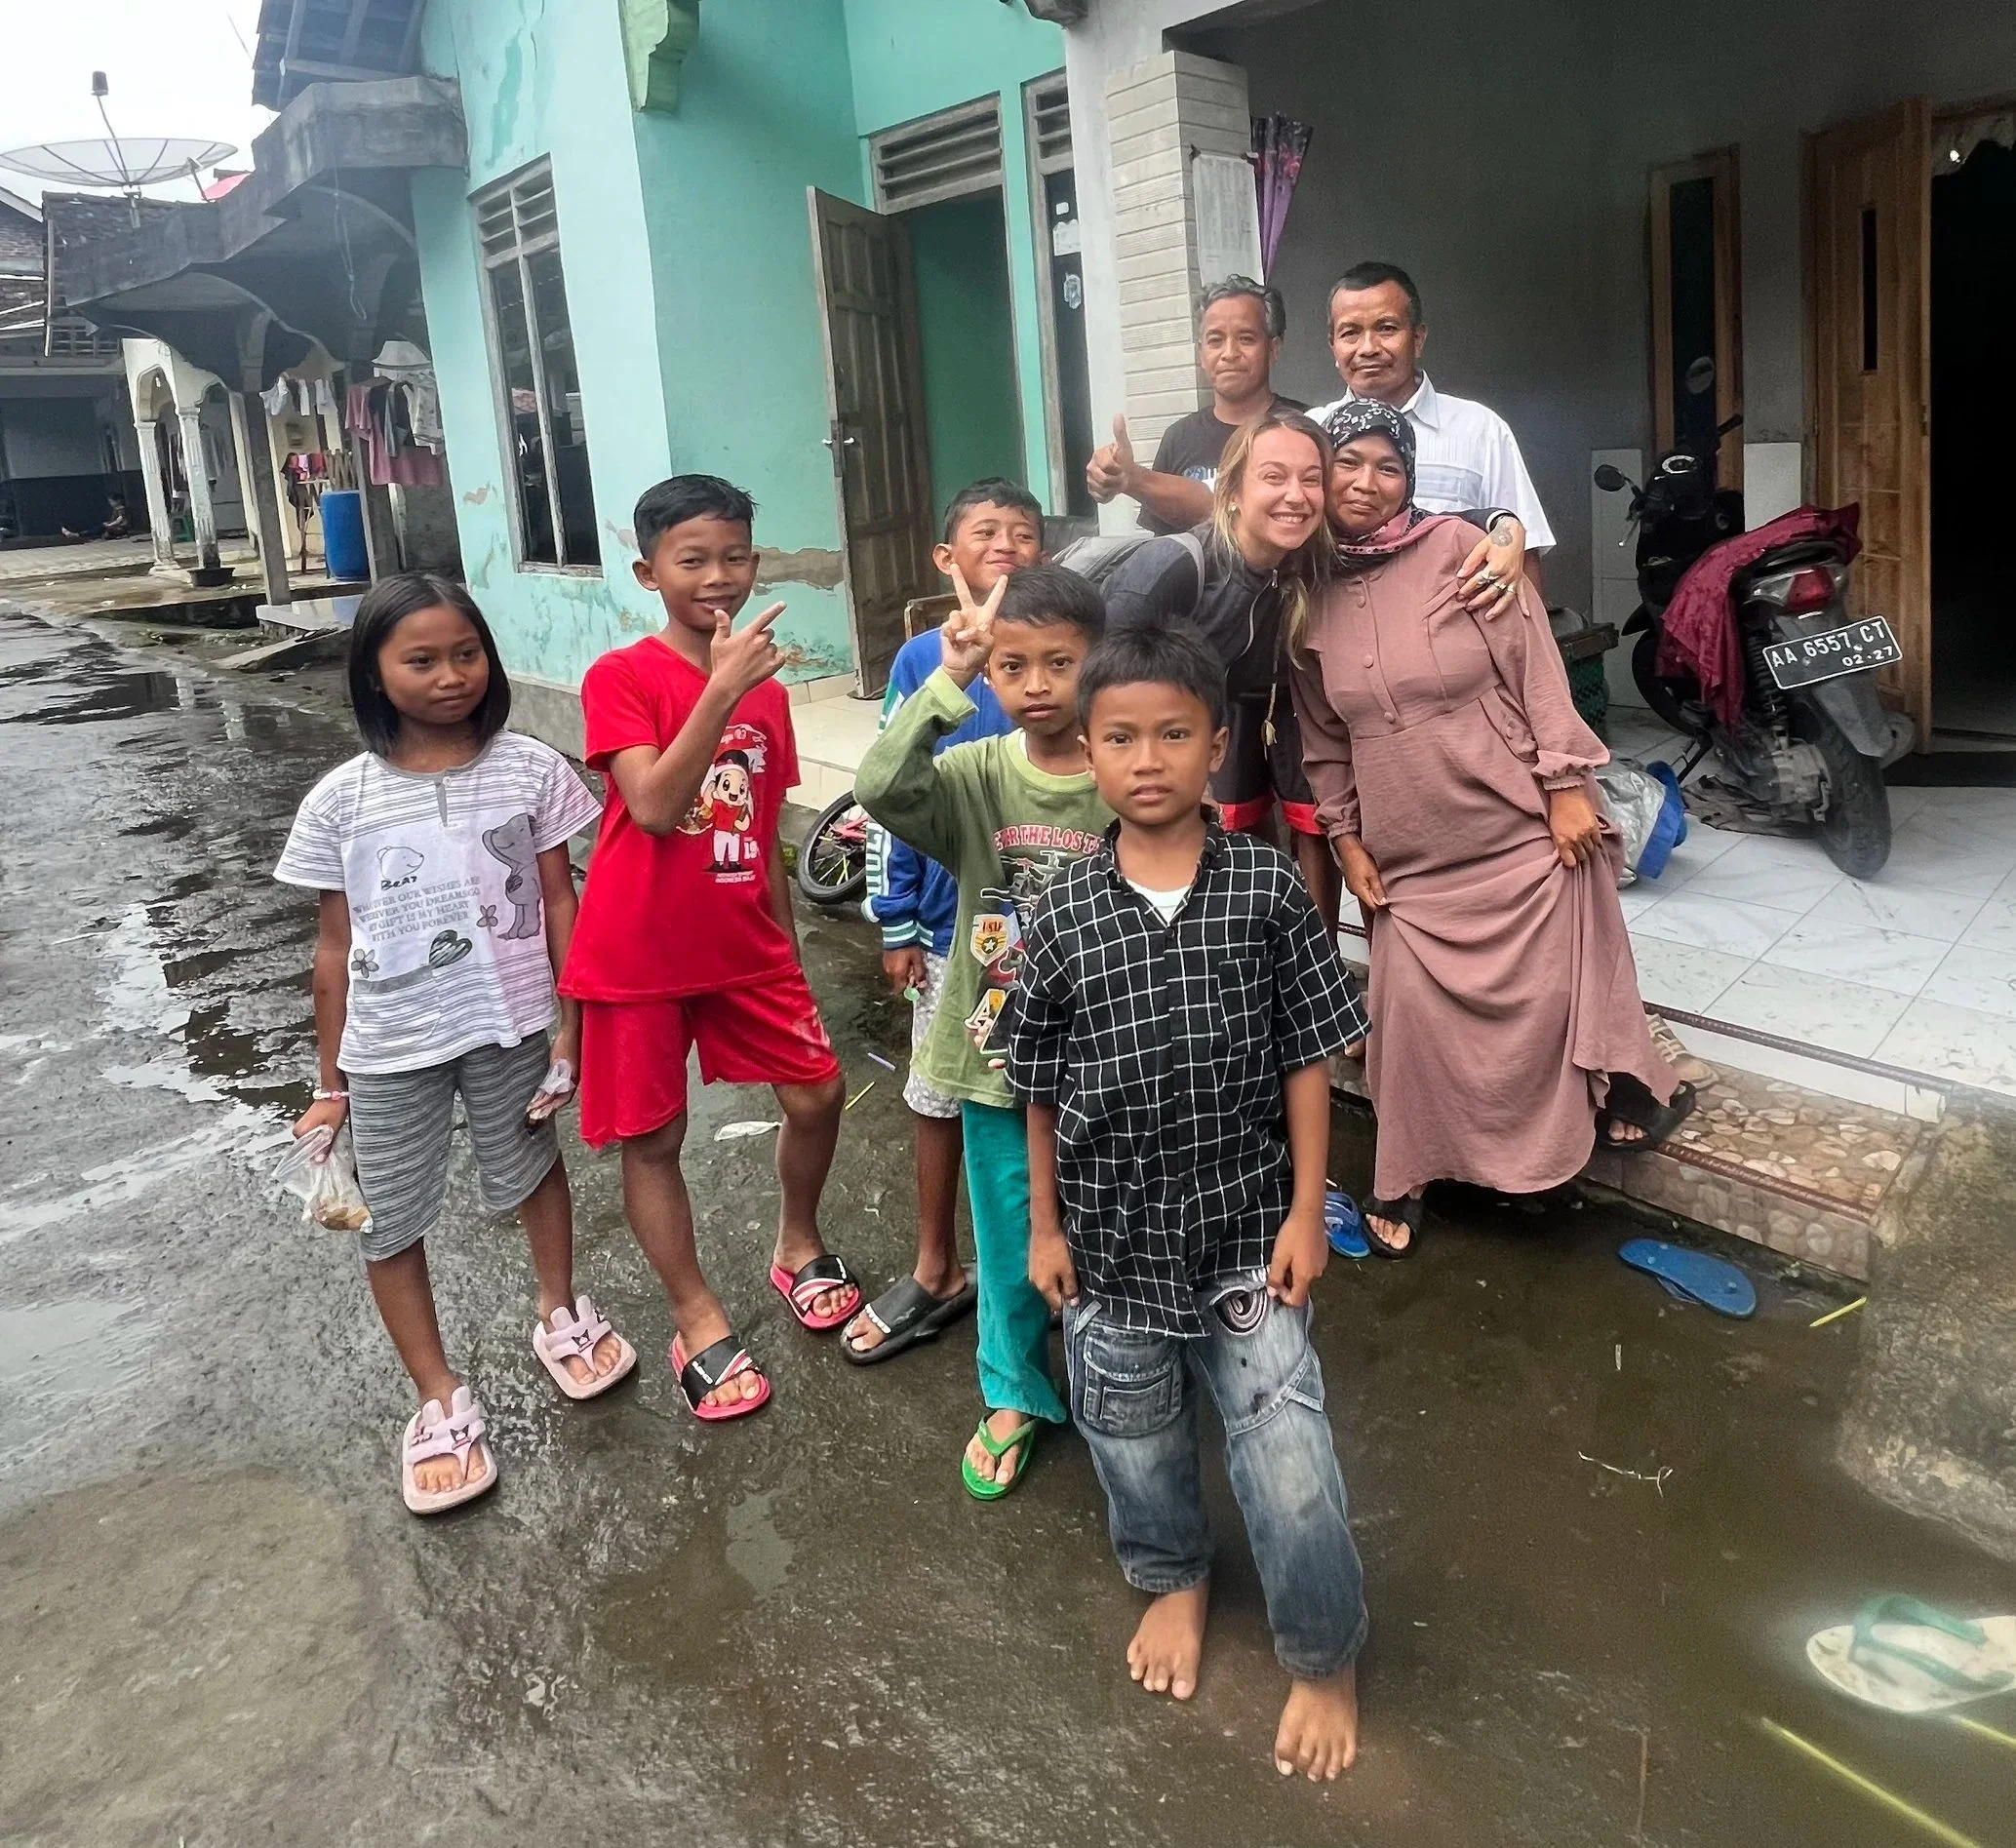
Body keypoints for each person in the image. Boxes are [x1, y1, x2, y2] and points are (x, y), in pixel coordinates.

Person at [1008, 623, 1369, 1782]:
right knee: (1133, 1436)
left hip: (1244, 1242)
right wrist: (1045, 1227)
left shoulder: (1265, 887)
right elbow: (1039, 1089)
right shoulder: (1059, 914)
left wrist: (1309, 1210)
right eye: (1121, 737)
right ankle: (1176, 1576)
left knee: (1291, 1455)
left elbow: (1310, 1056)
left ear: (1222, 743)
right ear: (1088, 749)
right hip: (1109, 1252)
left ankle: (1324, 1649)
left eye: (1176, 733)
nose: (1149, 758)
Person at [1289, 401, 1693, 1258]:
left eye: (1387, 467)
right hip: (1408, 853)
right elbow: (1323, 740)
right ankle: (1408, 1169)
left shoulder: (1455, 549)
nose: (1366, 482)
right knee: (1407, 1017)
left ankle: (1621, 1089)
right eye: (1346, 464)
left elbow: (1532, 663)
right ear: (1318, 476)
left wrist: (1563, 783)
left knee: (1566, 952)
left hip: (1511, 816)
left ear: (1409, 479)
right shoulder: (1303, 593)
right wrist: (1348, 841)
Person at [276, 572, 635, 1516]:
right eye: (421, 659)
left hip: (512, 1019)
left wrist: (573, 1022)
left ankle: (558, 1309)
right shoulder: (339, 800)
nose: (450, 676)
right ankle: (437, 1396)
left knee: (532, 1168)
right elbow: (331, 948)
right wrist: (331, 1084)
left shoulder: (529, 769)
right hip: (389, 1043)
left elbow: (562, 901)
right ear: (374, 672)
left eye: (465, 653)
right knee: (390, 1218)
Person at [559, 475, 855, 1423]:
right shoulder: (622, 677)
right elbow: (649, 805)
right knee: (654, 1137)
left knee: (818, 1090)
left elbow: (758, 827)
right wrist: (720, 690)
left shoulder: (768, 695)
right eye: (694, 560)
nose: (719, 577)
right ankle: (695, 1313)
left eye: (734, 556)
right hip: (634, 950)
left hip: (744, 943)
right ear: (650, 571)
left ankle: (796, 1240)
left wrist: (789, 948)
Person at [854, 565, 1110, 1499]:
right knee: (1005, 1233)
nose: (1035, 683)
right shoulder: (971, 774)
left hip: (1103, 1054)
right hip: (996, 1049)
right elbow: (879, 786)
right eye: (1013, 666)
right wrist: (946, 681)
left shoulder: (1125, 774)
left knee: (1102, 1224)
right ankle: (1012, 1389)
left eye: (1059, 662)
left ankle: (1120, 1370)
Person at [848, 479, 1043, 1364]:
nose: (1006, 544)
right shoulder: (921, 659)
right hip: (947, 930)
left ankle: (1053, 1268)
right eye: (985, 532)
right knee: (940, 1093)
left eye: (1024, 533)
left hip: (1052, 930)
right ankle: (936, 1267)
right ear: (945, 558)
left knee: (1040, 1101)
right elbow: (888, 790)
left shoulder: (1065, 650)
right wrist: (894, 921)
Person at [1101, 407, 1349, 934]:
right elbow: (1103, 693)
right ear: (1232, 491)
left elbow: (1398, 528)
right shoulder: (1175, 567)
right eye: (1274, 477)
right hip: (1141, 753)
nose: (1296, 495)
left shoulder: (1295, 563)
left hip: (1216, 725)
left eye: (1312, 479)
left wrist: (1500, 526)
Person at [1309, 261, 1556, 593]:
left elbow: (1521, 552)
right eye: (1350, 332)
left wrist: (1528, 640)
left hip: (1455, 632)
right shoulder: (1311, 433)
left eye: (1386, 328)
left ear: (1418, 338)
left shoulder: (1479, 430)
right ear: (1333, 346)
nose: (1367, 348)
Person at [1086, 277, 1304, 535]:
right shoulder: (1179, 438)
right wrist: (1120, 476)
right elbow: (1165, 542)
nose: (1229, 353)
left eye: (1246, 339)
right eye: (1215, 340)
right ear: (1201, 354)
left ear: (1273, 349)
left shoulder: (1304, 427)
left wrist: (1137, 479)